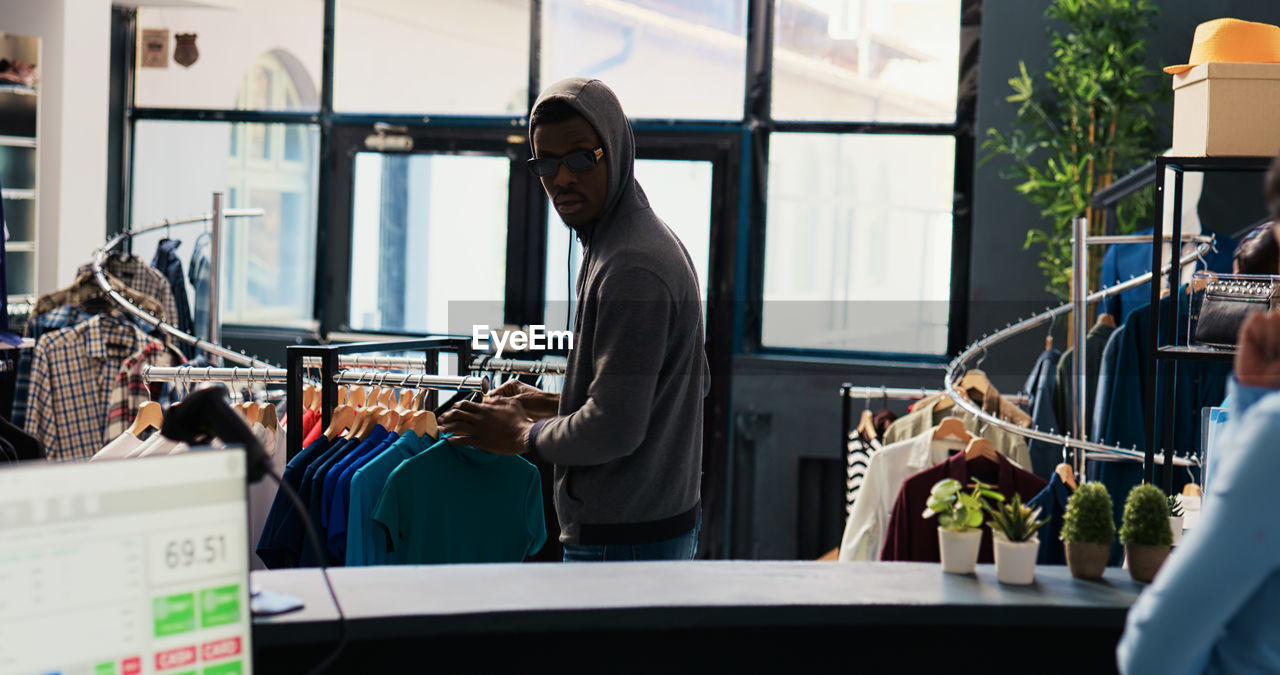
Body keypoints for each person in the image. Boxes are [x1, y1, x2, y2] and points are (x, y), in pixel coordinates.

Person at [438, 78, 710, 562]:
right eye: (545, 162)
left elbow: (615, 428)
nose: (561, 178)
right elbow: (660, 389)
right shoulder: (628, 239)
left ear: (618, 149)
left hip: (623, 543)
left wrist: (522, 435)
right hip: (648, 531)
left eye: (583, 157)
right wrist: (545, 403)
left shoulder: (630, 265)